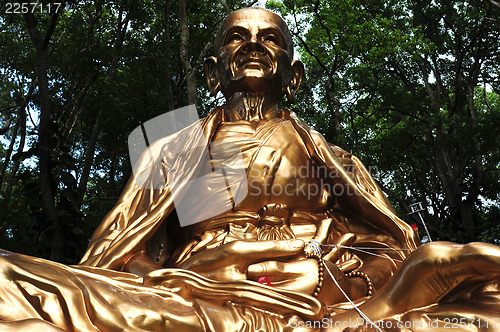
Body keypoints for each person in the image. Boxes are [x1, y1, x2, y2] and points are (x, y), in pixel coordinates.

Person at [0, 8, 499, 332]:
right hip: (197, 304)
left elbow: (391, 248)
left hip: (320, 298)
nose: (254, 45)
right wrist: (194, 277)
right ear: (215, 69)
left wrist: (332, 274)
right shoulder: (172, 151)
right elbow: (126, 255)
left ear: (294, 74)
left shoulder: (332, 161)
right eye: (238, 38)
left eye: (269, 38)